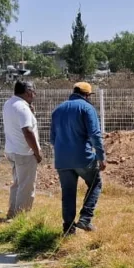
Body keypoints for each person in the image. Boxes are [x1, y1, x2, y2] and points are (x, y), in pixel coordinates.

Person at [50, 82, 106, 234]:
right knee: (96, 184)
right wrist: (101, 157)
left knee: (68, 192)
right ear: (87, 95)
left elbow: (53, 139)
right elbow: (95, 135)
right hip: (83, 157)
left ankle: (68, 228)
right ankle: (85, 219)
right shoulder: (87, 108)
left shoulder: (57, 110)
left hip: (62, 160)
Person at [3, 80, 42, 218]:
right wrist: (37, 152)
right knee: (26, 186)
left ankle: (12, 212)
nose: (35, 94)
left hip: (12, 150)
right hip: (24, 152)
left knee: (17, 183)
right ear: (28, 92)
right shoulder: (22, 108)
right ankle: (20, 217)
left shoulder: (9, 104)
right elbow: (28, 131)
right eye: (33, 91)